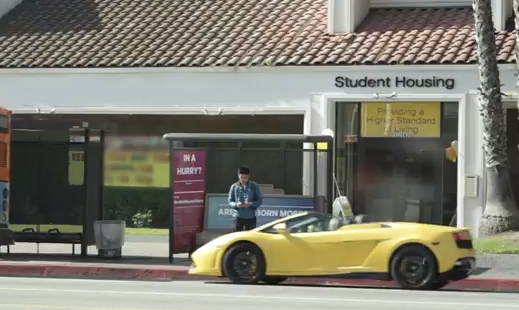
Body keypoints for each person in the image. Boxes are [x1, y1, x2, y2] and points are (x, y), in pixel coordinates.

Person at [228, 165, 263, 231]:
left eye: (246, 177)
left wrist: (251, 204)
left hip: (250, 217)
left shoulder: (254, 186)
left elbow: (259, 201)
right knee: (236, 237)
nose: (243, 179)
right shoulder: (234, 186)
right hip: (237, 216)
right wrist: (236, 205)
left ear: (249, 176)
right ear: (238, 175)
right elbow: (230, 201)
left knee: (250, 237)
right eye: (242, 177)